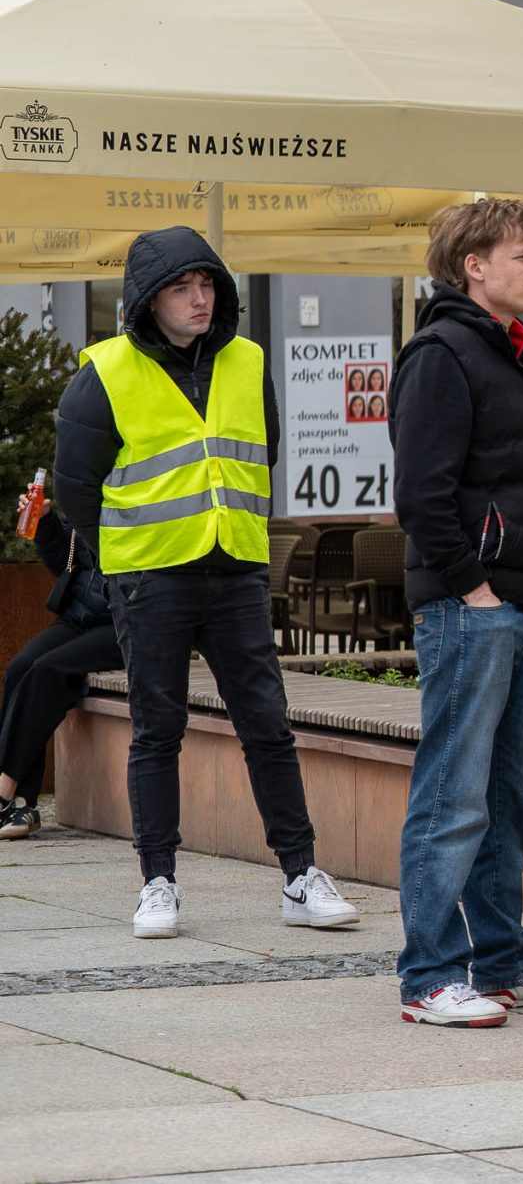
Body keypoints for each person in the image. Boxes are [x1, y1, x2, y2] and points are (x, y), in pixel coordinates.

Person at [51, 227, 359, 942]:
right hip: (150, 577)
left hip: (236, 569)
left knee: (268, 726)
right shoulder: (105, 373)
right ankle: (157, 881)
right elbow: (74, 492)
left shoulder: (247, 361)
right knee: (157, 731)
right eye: (182, 287)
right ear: (147, 298)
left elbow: (263, 452)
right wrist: (125, 555)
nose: (199, 298)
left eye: (208, 284)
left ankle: (301, 875)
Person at [388, 200, 523, 1027]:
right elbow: (420, 495)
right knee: (453, 795)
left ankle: (505, 960)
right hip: (474, 609)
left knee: (507, 798)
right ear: (474, 265)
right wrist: (474, 586)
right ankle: (429, 975)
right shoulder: (442, 354)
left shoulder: (516, 348)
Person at [0, 510, 119, 841]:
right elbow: (65, 564)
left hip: (124, 624)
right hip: (79, 614)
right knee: (20, 667)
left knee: (47, 671)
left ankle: (6, 788)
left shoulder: (127, 496)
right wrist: (47, 522)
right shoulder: (85, 497)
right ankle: (23, 805)